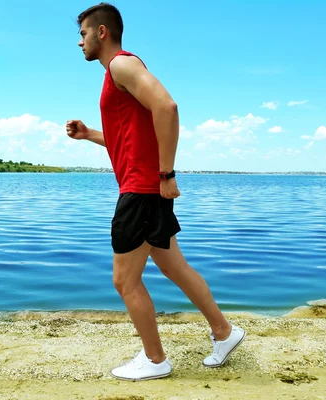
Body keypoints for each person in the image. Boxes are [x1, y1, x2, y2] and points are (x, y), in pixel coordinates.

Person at [66, 2, 246, 381]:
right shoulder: (116, 74)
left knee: (124, 280)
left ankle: (155, 359)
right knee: (172, 266)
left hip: (143, 190)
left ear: (102, 32)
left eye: (82, 34)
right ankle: (225, 332)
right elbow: (127, 140)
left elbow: (167, 106)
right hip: (147, 187)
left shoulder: (122, 64)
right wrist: (89, 136)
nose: (78, 42)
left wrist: (166, 174)